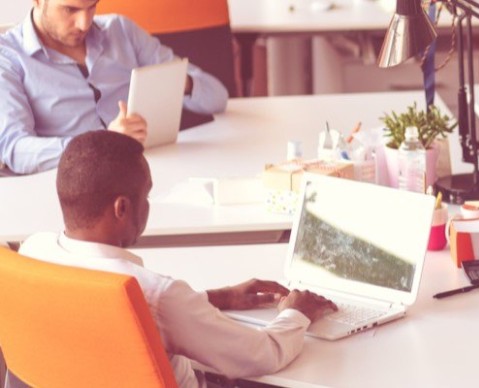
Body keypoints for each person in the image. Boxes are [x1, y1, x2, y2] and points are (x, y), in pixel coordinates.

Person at [17, 131, 338, 387]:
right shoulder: (159, 295)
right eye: (146, 194)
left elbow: (136, 313)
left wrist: (216, 297)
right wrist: (296, 313)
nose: (149, 204)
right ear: (121, 208)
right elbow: (264, 355)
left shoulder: (33, 253)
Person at [0, 0, 228, 175]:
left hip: (151, 171)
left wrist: (176, 81)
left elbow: (218, 98)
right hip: (74, 189)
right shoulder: (8, 57)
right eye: (70, 9)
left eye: (92, 6)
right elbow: (15, 150)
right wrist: (100, 144)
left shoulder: (121, 30)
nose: (84, 23)